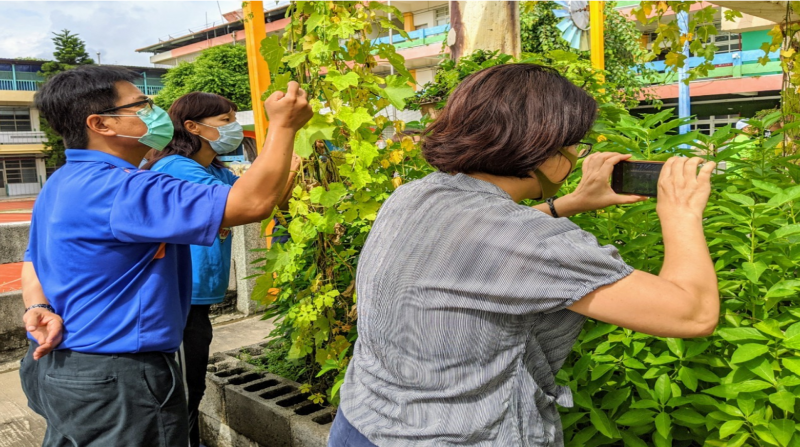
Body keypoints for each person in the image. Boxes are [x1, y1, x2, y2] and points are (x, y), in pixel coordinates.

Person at [330, 64, 719, 446]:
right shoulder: (531, 240)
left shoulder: (414, 195)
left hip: (359, 423)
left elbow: (480, 241)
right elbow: (693, 314)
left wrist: (571, 202)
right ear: (544, 151)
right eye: (574, 146)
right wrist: (681, 212)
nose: (576, 156)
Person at [20, 65, 312, 446]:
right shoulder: (124, 189)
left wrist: (37, 305)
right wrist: (284, 126)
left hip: (60, 366)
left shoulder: (61, 181)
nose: (155, 112)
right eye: (141, 105)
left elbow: (33, 258)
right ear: (101, 124)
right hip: (118, 379)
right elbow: (252, 202)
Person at [142, 91, 299, 447]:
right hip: (177, 301)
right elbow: (249, 202)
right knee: (181, 390)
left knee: (192, 385)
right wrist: (284, 138)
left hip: (196, 299)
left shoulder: (213, 170)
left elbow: (264, 196)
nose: (234, 127)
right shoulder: (176, 168)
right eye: (225, 120)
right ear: (193, 127)